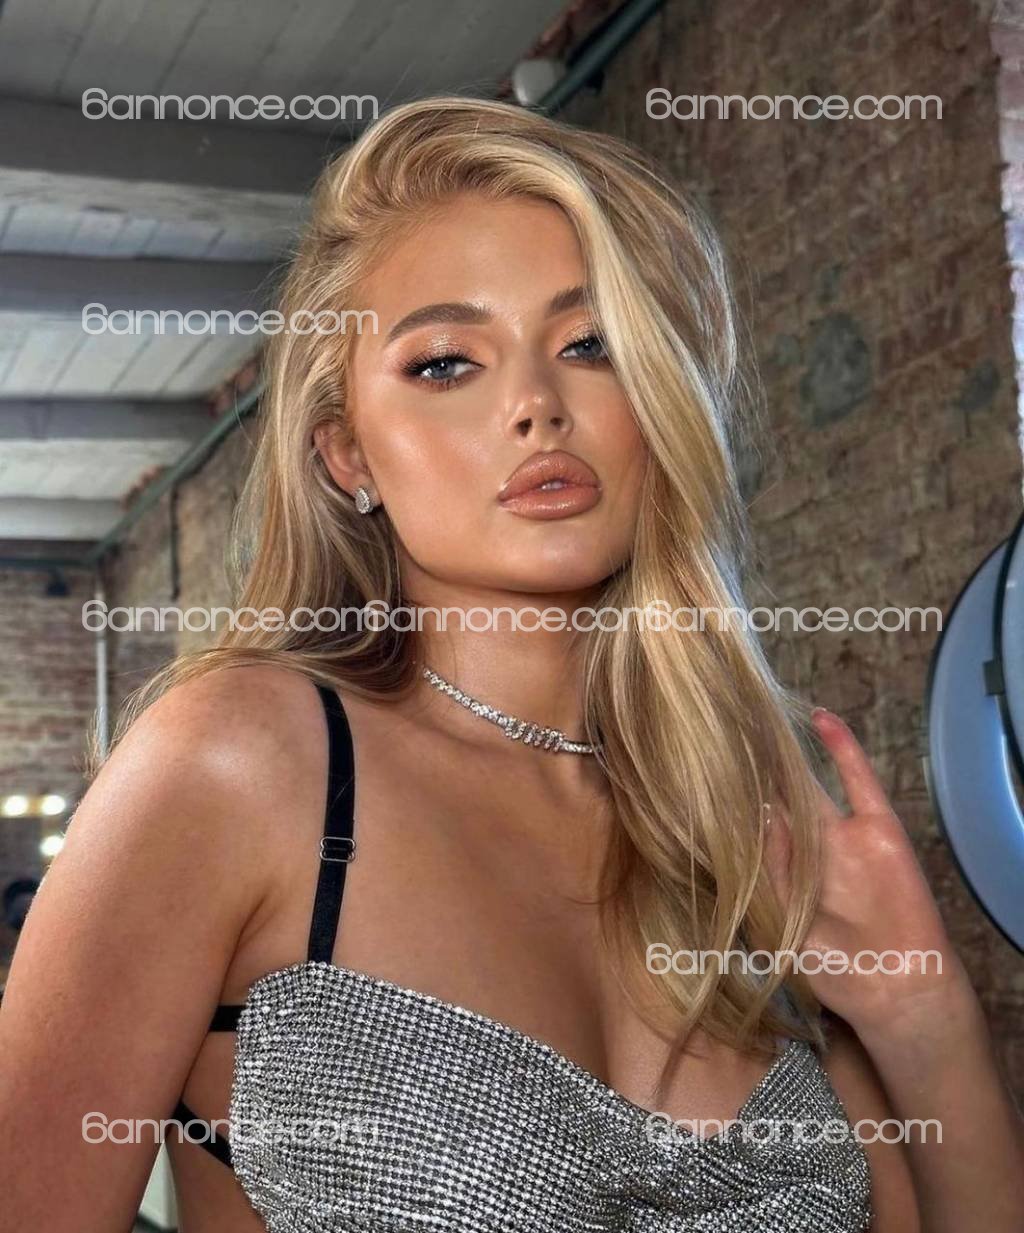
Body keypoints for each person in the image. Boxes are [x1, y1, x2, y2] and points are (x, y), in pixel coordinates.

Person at [1, 96, 1021, 1233]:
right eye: (446, 364)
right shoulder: (240, 763)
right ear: (346, 454)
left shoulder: (734, 817)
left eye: (590, 345)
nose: (538, 406)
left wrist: (924, 1016)